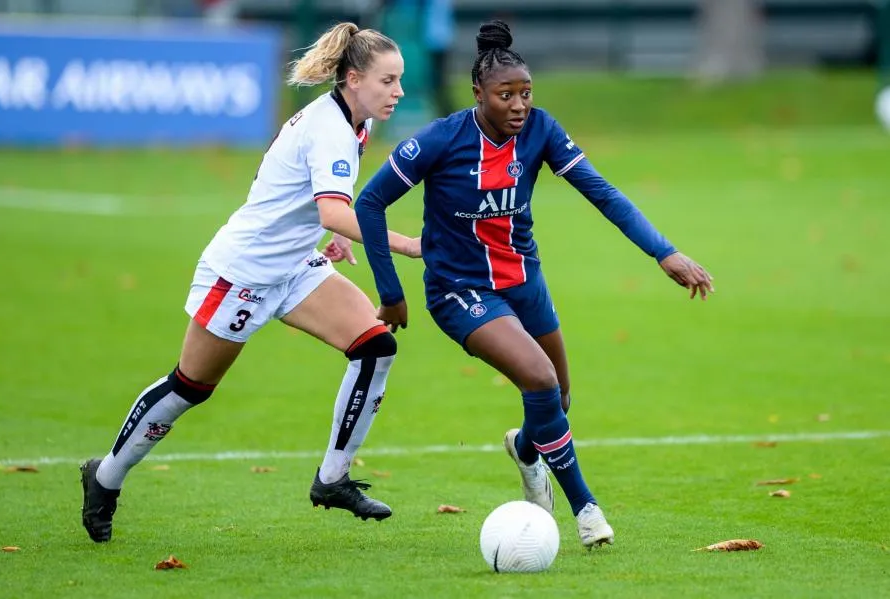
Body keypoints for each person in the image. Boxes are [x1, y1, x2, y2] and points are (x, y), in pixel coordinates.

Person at [354, 20, 714, 549]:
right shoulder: (439, 139)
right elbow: (369, 202)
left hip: (525, 284)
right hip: (459, 291)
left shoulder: (542, 130)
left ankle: (526, 449)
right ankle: (586, 510)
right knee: (541, 380)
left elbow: (603, 193)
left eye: (525, 93)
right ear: (479, 94)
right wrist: (391, 292)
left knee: (556, 401)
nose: (519, 105)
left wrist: (665, 252)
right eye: (506, 95)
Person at [80, 22, 419, 543]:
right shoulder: (330, 126)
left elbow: (322, 203)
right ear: (353, 79)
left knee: (375, 346)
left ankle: (332, 479)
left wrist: (333, 233)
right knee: (191, 387)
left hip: (293, 267)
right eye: (388, 81)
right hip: (240, 274)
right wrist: (404, 243)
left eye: (399, 81)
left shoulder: (356, 122)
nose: (398, 91)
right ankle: (105, 477)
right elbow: (333, 210)